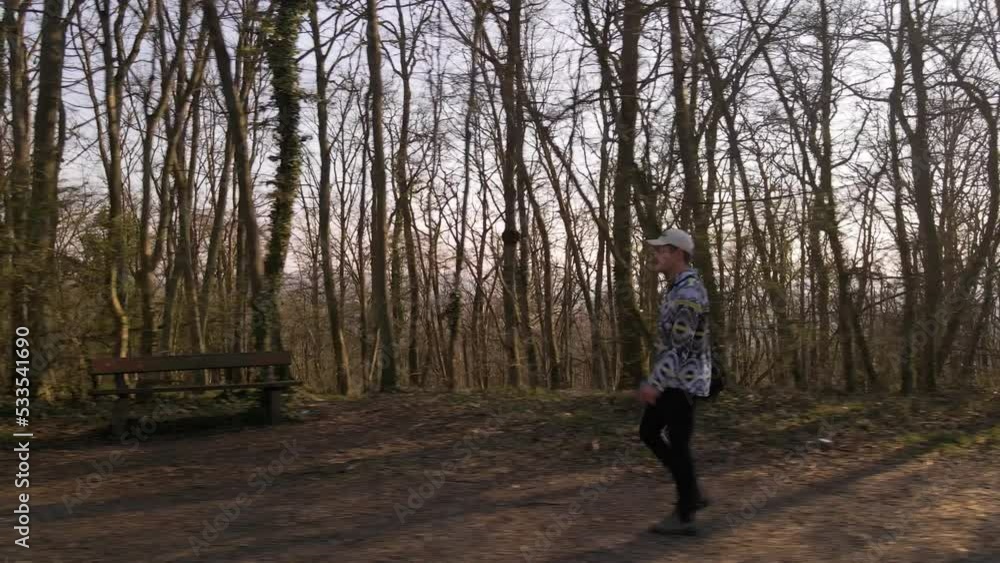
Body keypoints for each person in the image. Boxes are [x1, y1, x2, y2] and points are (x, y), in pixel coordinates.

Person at [638, 228, 711, 535]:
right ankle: (691, 490)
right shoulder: (677, 288)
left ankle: (685, 515)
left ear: (678, 254)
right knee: (649, 431)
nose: (656, 254)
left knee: (678, 445)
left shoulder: (689, 292)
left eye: (662, 250)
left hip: (684, 381)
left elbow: (680, 347)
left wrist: (654, 383)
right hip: (673, 377)